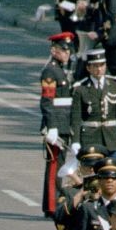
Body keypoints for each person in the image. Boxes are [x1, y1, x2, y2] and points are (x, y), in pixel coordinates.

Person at [38, 31, 75, 215]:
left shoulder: (61, 70)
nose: (67, 54)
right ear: (54, 51)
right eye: (63, 50)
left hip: (64, 123)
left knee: (58, 164)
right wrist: (51, 126)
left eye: (68, 51)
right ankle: (52, 206)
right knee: (54, 166)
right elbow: (47, 101)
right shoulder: (50, 72)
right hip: (56, 126)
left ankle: (51, 204)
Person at [69, 48, 116, 159]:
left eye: (102, 65)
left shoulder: (115, 85)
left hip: (111, 139)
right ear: (88, 68)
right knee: (92, 174)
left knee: (112, 173)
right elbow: (76, 118)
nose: (99, 69)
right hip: (90, 139)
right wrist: (75, 141)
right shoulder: (81, 89)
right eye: (95, 66)